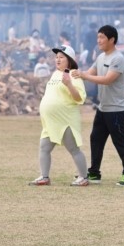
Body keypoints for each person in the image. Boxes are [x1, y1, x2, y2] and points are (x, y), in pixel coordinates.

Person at [71, 25, 124, 186]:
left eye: (101, 37)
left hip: (117, 110)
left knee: (120, 142)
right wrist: (72, 75)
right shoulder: (101, 57)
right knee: (96, 139)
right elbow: (89, 72)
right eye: (98, 37)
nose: (98, 40)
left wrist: (84, 75)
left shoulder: (118, 58)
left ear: (112, 39)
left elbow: (107, 79)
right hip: (103, 108)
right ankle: (94, 173)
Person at [28, 45, 89, 187]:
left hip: (65, 120)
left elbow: (79, 98)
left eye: (61, 57)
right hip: (50, 122)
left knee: (73, 149)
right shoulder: (55, 74)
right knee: (44, 148)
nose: (58, 59)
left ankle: (83, 177)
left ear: (70, 60)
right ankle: (44, 177)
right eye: (56, 57)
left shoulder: (74, 74)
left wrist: (69, 84)